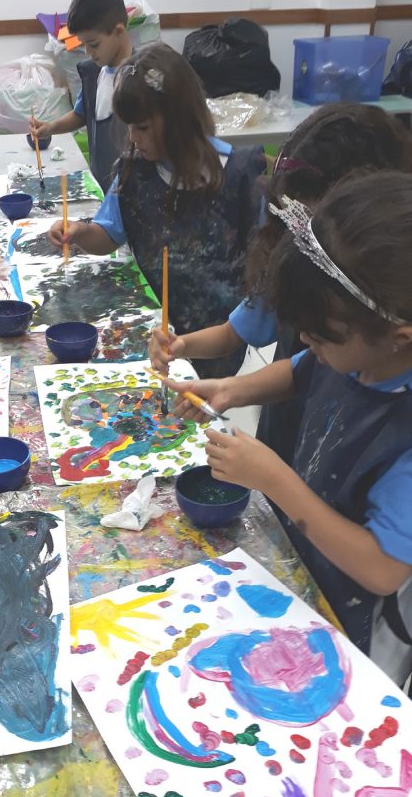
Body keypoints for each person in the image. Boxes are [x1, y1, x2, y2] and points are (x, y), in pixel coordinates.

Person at [167, 171, 412, 687]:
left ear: (399, 337)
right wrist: (231, 389)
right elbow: (303, 370)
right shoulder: (357, 352)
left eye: (321, 335)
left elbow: (384, 569)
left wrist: (274, 480)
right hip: (302, 570)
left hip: (353, 630)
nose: (304, 341)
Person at [150, 102, 412, 461]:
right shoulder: (347, 340)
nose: (305, 244)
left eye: (310, 226)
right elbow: (300, 366)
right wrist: (215, 376)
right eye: (295, 227)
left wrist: (275, 479)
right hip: (293, 432)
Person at [49, 43, 266, 379]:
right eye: (128, 127)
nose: (133, 138)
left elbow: (261, 274)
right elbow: (108, 234)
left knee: (204, 404)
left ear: (180, 119)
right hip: (151, 337)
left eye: (143, 127)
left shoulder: (238, 175)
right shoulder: (135, 172)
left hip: (221, 342)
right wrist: (80, 233)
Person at [32, 0, 132, 193]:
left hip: (130, 191)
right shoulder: (92, 73)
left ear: (118, 31)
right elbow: (82, 114)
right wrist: (50, 128)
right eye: (83, 44)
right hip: (102, 187)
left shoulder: (138, 77)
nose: (87, 51)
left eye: (93, 44)